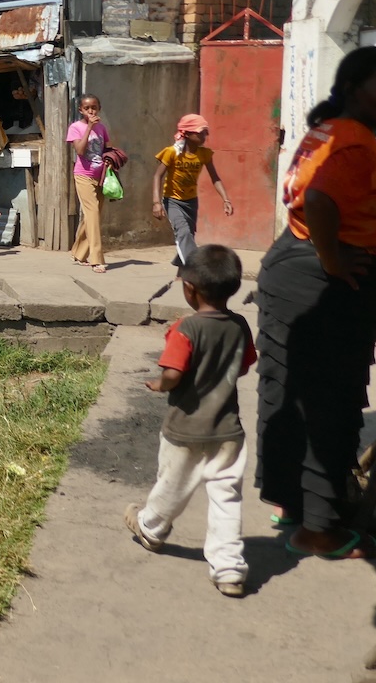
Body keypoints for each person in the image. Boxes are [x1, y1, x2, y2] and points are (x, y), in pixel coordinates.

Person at [255, 46, 376, 560]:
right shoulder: (353, 141)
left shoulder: (334, 130)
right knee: (329, 403)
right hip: (322, 287)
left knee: (289, 395)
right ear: (354, 89)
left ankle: (293, 503)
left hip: (292, 272)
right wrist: (335, 259)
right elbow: (318, 200)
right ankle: (318, 529)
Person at [124, 244, 255, 598]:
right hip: (228, 431)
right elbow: (244, 365)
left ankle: (150, 528)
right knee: (226, 498)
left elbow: (172, 373)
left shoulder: (185, 328)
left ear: (189, 288)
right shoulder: (240, 325)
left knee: (172, 486)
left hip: (185, 429)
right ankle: (228, 569)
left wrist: (157, 383)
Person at [152, 114, 233, 267]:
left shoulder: (204, 154)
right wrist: (156, 203)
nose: (204, 136)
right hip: (172, 200)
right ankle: (194, 267)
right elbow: (157, 176)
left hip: (191, 201)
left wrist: (226, 199)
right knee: (183, 232)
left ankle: (180, 260)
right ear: (187, 134)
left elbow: (215, 177)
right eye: (200, 132)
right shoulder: (172, 152)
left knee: (189, 233)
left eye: (205, 132)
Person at [67, 94, 111, 273]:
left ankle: (79, 253)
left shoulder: (102, 128)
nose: (91, 110)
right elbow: (79, 150)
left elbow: (106, 148)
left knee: (93, 216)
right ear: (81, 110)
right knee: (92, 213)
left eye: (94, 107)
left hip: (100, 176)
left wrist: (110, 161)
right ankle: (96, 259)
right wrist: (89, 128)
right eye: (87, 108)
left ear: (98, 108)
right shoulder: (75, 127)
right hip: (83, 175)